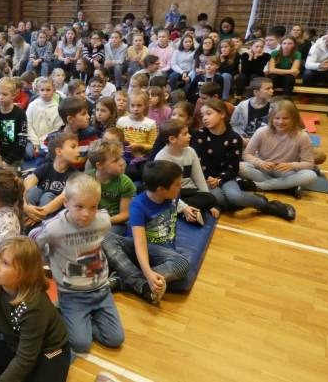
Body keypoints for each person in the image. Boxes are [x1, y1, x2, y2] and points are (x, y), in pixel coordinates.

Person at [32, 173, 125, 354]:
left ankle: (83, 322)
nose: (86, 214)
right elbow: (34, 242)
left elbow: (99, 240)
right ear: (66, 202)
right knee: (81, 344)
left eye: (93, 207)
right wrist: (47, 260)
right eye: (79, 206)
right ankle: (69, 316)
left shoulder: (103, 221)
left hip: (101, 291)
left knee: (115, 339)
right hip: (72, 294)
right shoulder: (53, 228)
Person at [0, 236, 71, 382]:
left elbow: (25, 358)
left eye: (5, 263)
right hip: (16, 344)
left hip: (49, 351)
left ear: (25, 273)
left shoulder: (34, 306)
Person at [101, 160, 194, 304]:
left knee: (182, 264)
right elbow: (140, 243)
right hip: (139, 250)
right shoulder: (138, 206)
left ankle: (122, 279)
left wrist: (186, 208)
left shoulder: (173, 195)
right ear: (161, 189)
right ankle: (142, 284)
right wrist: (148, 273)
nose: (180, 186)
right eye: (177, 184)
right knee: (104, 238)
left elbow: (178, 202)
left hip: (162, 253)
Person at [194, 99, 296, 220]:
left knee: (235, 196)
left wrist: (219, 179)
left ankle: (269, 206)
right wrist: (208, 179)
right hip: (205, 179)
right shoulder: (199, 135)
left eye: (208, 113)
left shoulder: (234, 138)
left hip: (225, 177)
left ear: (222, 114)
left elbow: (233, 168)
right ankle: (235, 203)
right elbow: (197, 163)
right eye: (202, 115)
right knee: (219, 198)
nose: (204, 118)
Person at [239, 99, 317, 198]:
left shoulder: (302, 136)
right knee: (240, 166)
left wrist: (291, 165)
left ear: (294, 119)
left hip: (286, 173)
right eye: (277, 118)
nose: (280, 122)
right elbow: (246, 154)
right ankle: (286, 187)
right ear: (271, 118)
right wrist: (260, 163)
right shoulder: (261, 132)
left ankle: (261, 186)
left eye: (285, 118)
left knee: (310, 175)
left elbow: (309, 164)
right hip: (264, 169)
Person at [155, 119, 218, 212]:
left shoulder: (191, 151)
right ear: (172, 139)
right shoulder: (161, 158)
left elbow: (199, 178)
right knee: (164, 199)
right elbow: (166, 189)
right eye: (185, 134)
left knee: (210, 199)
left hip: (188, 191)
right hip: (171, 194)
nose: (190, 136)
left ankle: (179, 210)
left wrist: (209, 203)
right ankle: (182, 209)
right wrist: (184, 207)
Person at [230, 77, 273, 147]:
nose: (272, 91)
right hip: (244, 140)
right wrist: (241, 137)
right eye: (268, 89)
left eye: (272, 88)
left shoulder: (273, 107)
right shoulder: (242, 105)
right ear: (256, 92)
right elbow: (233, 124)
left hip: (265, 142)